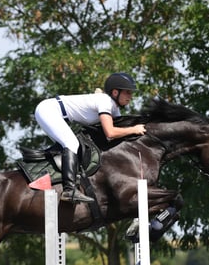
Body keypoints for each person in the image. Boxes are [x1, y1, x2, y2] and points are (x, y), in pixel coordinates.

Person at [34, 72, 147, 203]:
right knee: (71, 143)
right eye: (127, 92)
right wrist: (134, 129)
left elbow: (117, 132)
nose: (130, 96)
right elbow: (110, 133)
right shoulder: (105, 101)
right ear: (115, 92)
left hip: (58, 114)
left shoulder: (113, 108)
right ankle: (69, 190)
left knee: (73, 146)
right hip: (48, 110)